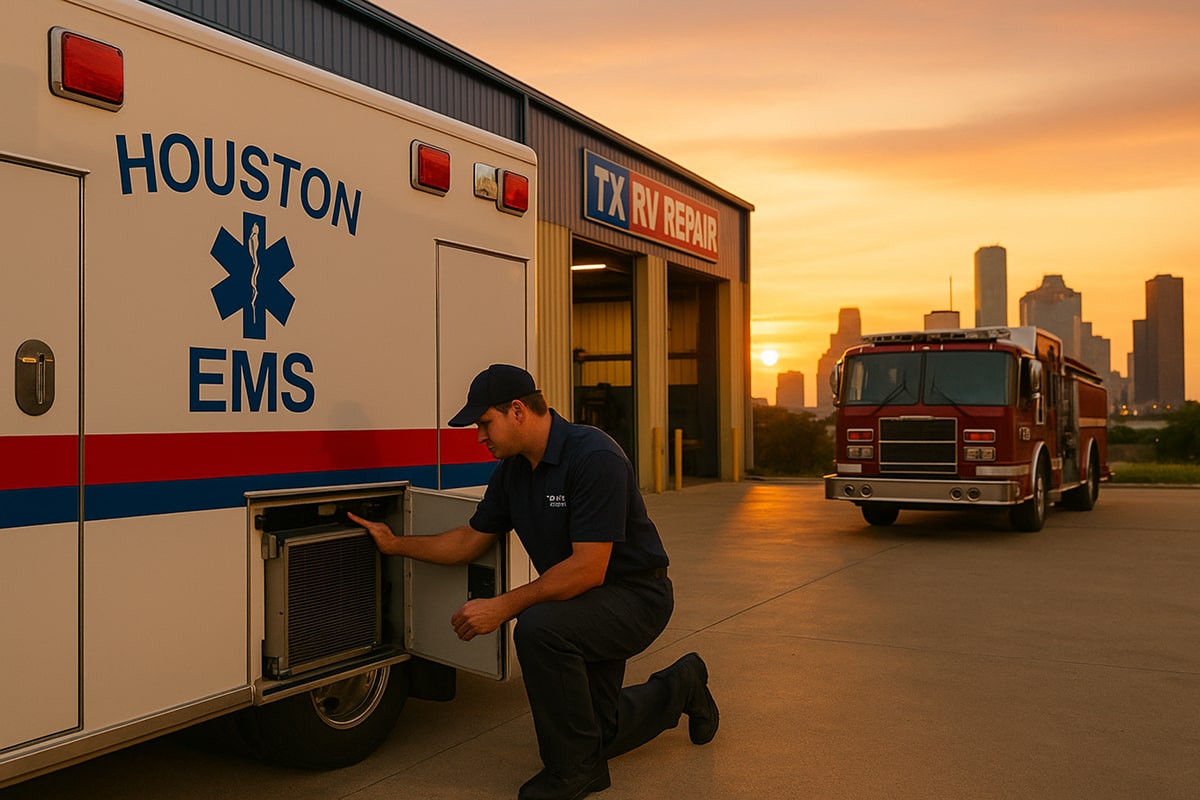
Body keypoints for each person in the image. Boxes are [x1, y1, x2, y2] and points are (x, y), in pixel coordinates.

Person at [349, 363, 718, 800]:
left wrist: (503, 606)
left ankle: (574, 771)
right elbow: (469, 540)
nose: (480, 436)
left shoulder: (593, 457)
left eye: (485, 423)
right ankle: (683, 684)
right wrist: (396, 545)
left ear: (518, 411)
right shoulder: (513, 473)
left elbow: (588, 567)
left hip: (635, 595)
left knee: (540, 629)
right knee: (599, 731)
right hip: (585, 601)